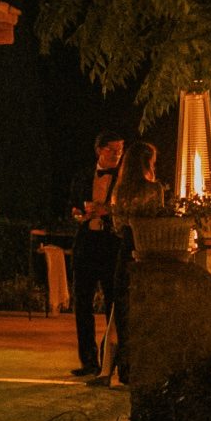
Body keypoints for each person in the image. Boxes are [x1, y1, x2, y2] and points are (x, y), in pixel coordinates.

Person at [106, 138, 167, 387]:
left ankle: (126, 368)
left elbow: (118, 225)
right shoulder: (154, 190)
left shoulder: (120, 190)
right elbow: (159, 220)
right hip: (147, 251)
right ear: (147, 163)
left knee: (124, 310)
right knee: (148, 309)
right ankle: (146, 365)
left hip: (125, 250)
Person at [69, 132, 126, 378]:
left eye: (120, 149)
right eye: (112, 150)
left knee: (114, 304)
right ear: (99, 151)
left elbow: (127, 207)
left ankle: (112, 361)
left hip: (112, 245)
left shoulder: (124, 177)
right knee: (82, 304)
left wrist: (106, 210)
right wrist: (79, 214)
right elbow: (72, 204)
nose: (117, 154)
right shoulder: (83, 175)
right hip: (86, 244)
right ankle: (88, 361)